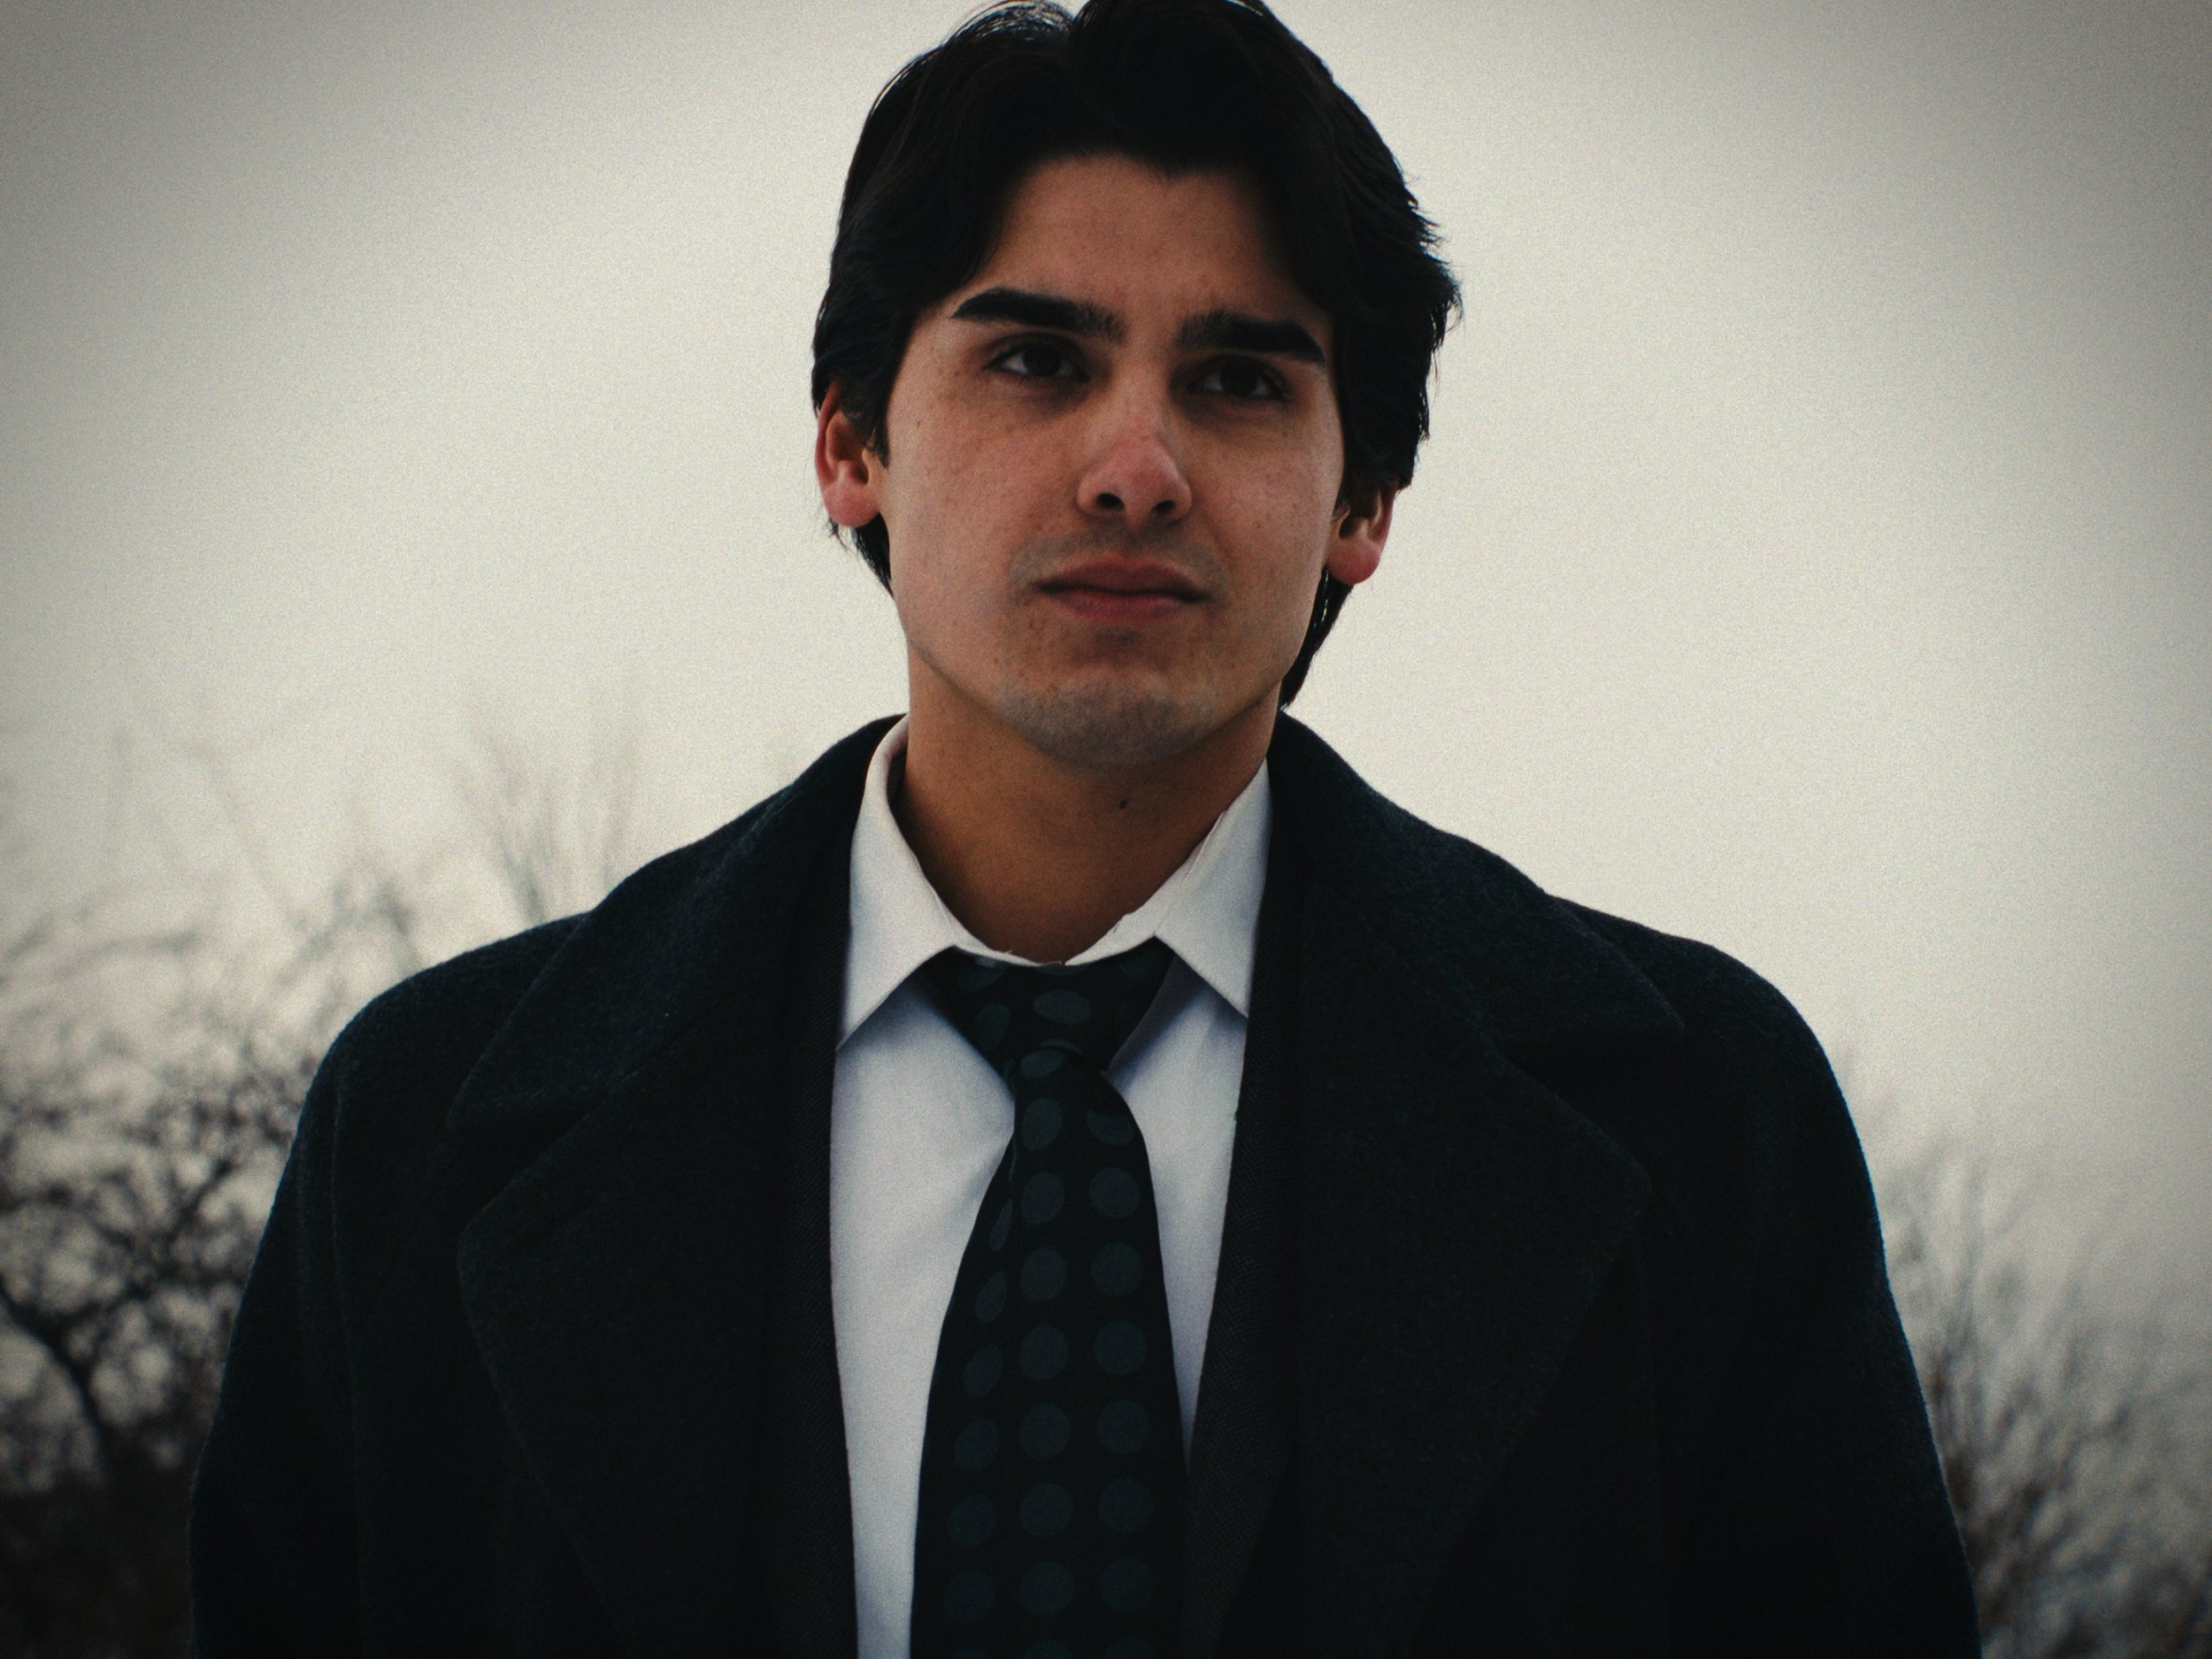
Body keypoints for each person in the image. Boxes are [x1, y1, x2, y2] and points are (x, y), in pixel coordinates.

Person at [188, 1, 1979, 1653]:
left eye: (1238, 379)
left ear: (1361, 500)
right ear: (850, 447)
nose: (1135, 468)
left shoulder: (1700, 1126)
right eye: (1038, 359)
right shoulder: (424, 1130)